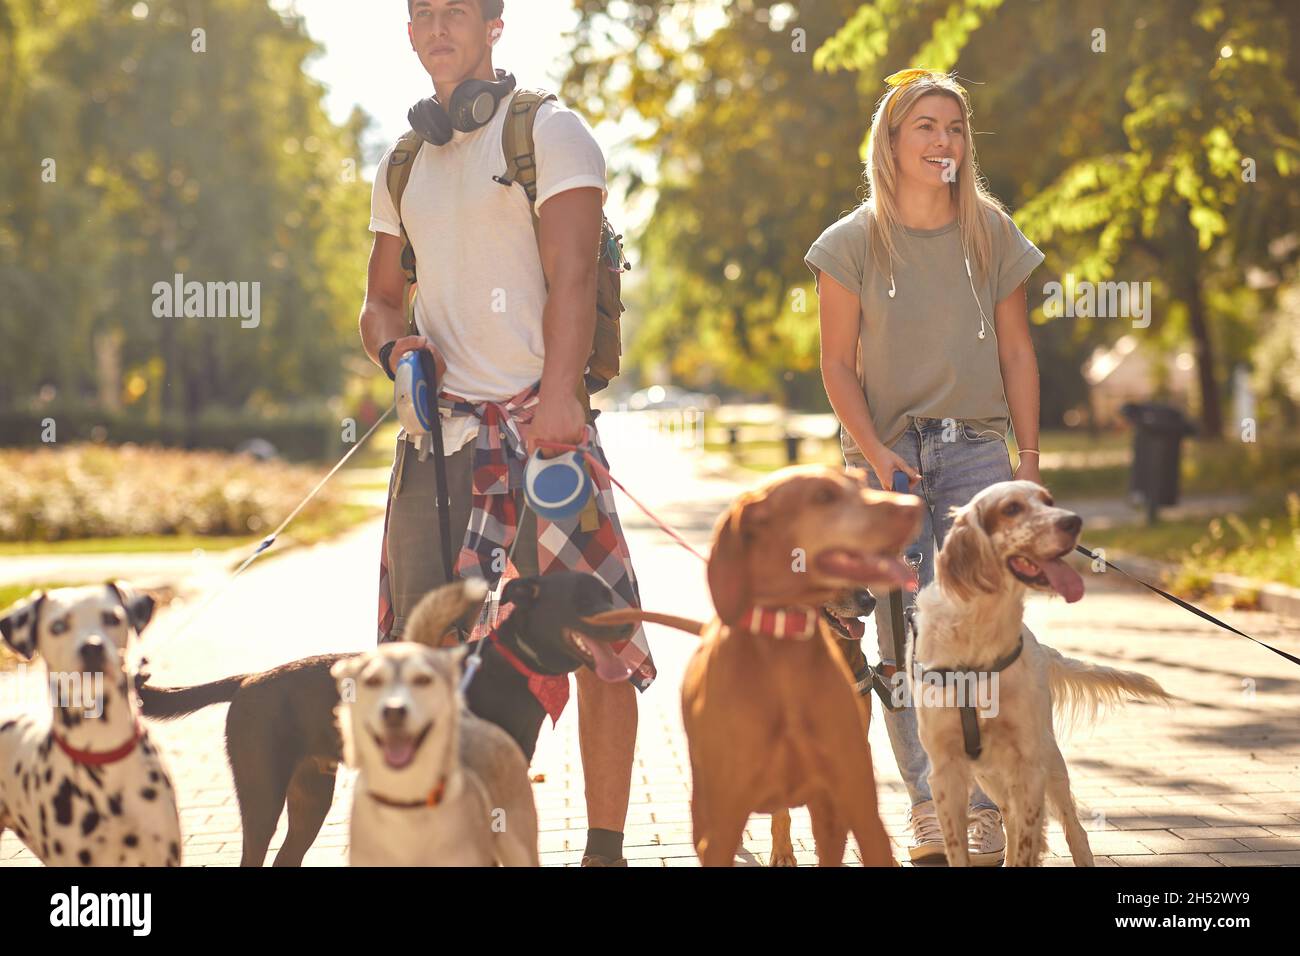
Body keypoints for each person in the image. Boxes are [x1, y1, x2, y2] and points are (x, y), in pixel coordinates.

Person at [358, 0, 653, 867]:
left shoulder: (550, 133)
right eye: (423, 13)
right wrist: (393, 346)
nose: (438, 26)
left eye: (457, 11)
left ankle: (604, 848)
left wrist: (562, 395)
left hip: (543, 430)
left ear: (495, 25)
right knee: (420, 653)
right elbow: (377, 299)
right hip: (438, 447)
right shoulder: (402, 161)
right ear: (410, 33)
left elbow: (570, 275)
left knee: (603, 638)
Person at [804, 69, 1046, 866]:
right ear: (893, 141)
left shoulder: (990, 233)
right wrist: (877, 456)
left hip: (978, 450)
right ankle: (927, 805)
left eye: (954, 128)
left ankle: (979, 805)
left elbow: (1017, 351)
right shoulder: (850, 242)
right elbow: (838, 365)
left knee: (980, 630)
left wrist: (1029, 468)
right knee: (905, 639)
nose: (944, 142)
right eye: (926, 128)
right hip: (889, 457)